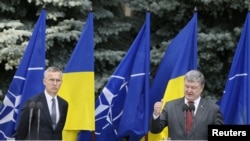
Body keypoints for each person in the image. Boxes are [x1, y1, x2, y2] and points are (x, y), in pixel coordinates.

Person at [150, 70, 224, 140]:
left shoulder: (213, 110)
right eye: (187, 86)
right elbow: (155, 130)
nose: (189, 90)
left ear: (201, 88)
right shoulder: (170, 106)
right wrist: (156, 114)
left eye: (193, 87)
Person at [16, 66, 68, 140]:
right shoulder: (32, 102)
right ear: (44, 81)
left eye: (58, 80)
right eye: (51, 80)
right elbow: (22, 129)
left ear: (61, 82)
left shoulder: (63, 104)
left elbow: (59, 129)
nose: (55, 83)